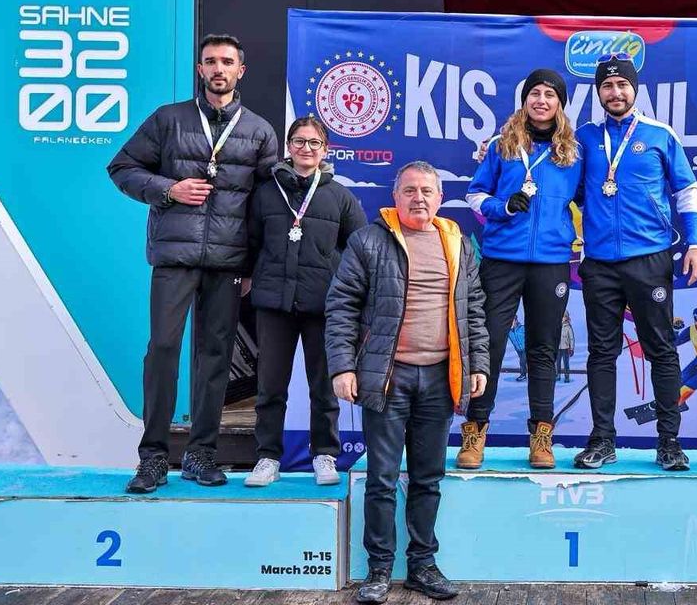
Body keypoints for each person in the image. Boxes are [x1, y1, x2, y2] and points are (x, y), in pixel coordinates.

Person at [108, 33, 278, 493]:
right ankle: (153, 458)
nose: (219, 69)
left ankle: (201, 454)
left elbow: (267, 204)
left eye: (227, 61)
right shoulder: (169, 119)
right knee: (163, 349)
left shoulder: (259, 131)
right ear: (200, 69)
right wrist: (169, 189)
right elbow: (122, 168)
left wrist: (252, 265)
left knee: (215, 357)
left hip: (228, 262)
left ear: (241, 70)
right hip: (175, 257)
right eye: (210, 61)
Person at [326, 161, 489, 602]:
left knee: (427, 478)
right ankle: (378, 570)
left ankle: (422, 565)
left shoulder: (457, 243)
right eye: (410, 190)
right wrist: (342, 367)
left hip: (440, 379)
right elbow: (341, 306)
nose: (419, 198)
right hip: (387, 377)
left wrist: (478, 364)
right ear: (394, 197)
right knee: (381, 479)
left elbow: (473, 309)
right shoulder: (368, 241)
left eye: (427, 191)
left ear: (440, 198)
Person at [574, 54, 697, 471]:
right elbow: (560, 182)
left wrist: (696, 243)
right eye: (607, 87)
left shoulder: (659, 134)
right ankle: (602, 440)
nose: (615, 93)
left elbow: (687, 191)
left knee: (661, 349)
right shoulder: (583, 138)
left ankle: (669, 442)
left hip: (649, 257)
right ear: (598, 92)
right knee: (601, 353)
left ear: (634, 89)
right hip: (599, 262)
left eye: (622, 86)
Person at [462, 68, 582, 470]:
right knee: (491, 344)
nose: (541, 100)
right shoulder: (502, 146)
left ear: (560, 103)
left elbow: (593, 200)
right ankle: (476, 431)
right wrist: (503, 207)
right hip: (502, 259)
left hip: (551, 262)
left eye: (550, 94)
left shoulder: (573, 152)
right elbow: (475, 195)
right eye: (535, 93)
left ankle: (541, 436)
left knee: (543, 349)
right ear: (525, 100)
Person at [243, 116, 366, 487]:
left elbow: (360, 249)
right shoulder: (266, 192)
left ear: (325, 150)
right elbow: (250, 241)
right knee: (270, 386)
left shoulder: (340, 196)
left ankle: (325, 454)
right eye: (299, 141)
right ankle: (267, 457)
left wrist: (345, 288)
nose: (306, 149)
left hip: (323, 306)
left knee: (323, 386)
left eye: (314, 143)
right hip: (274, 304)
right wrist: (247, 276)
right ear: (289, 146)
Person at [558, 312, 575, 384]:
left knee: (566, 364)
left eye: (564, 316)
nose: (563, 318)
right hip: (558, 348)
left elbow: (571, 338)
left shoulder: (568, 327)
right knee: (557, 363)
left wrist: (572, 348)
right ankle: (557, 375)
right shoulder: (557, 326)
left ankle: (567, 377)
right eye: (562, 316)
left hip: (566, 348)